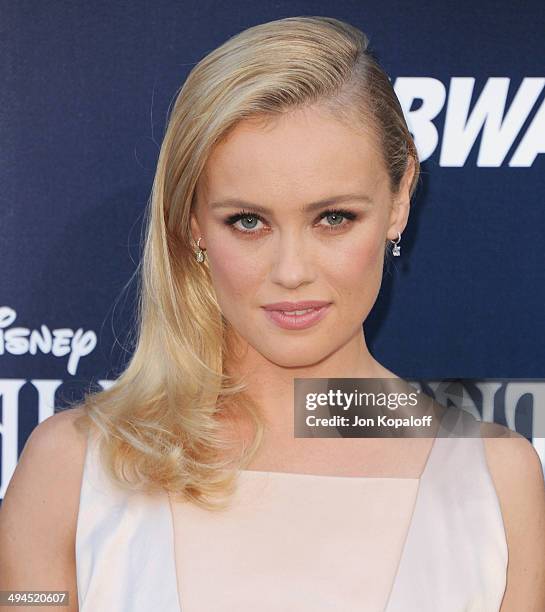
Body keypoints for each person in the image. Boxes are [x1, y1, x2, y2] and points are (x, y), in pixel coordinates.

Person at [1, 15, 544, 612]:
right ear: (192, 222)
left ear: (400, 198)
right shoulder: (71, 471)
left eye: (334, 218)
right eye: (248, 221)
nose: (291, 271)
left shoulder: (497, 482)